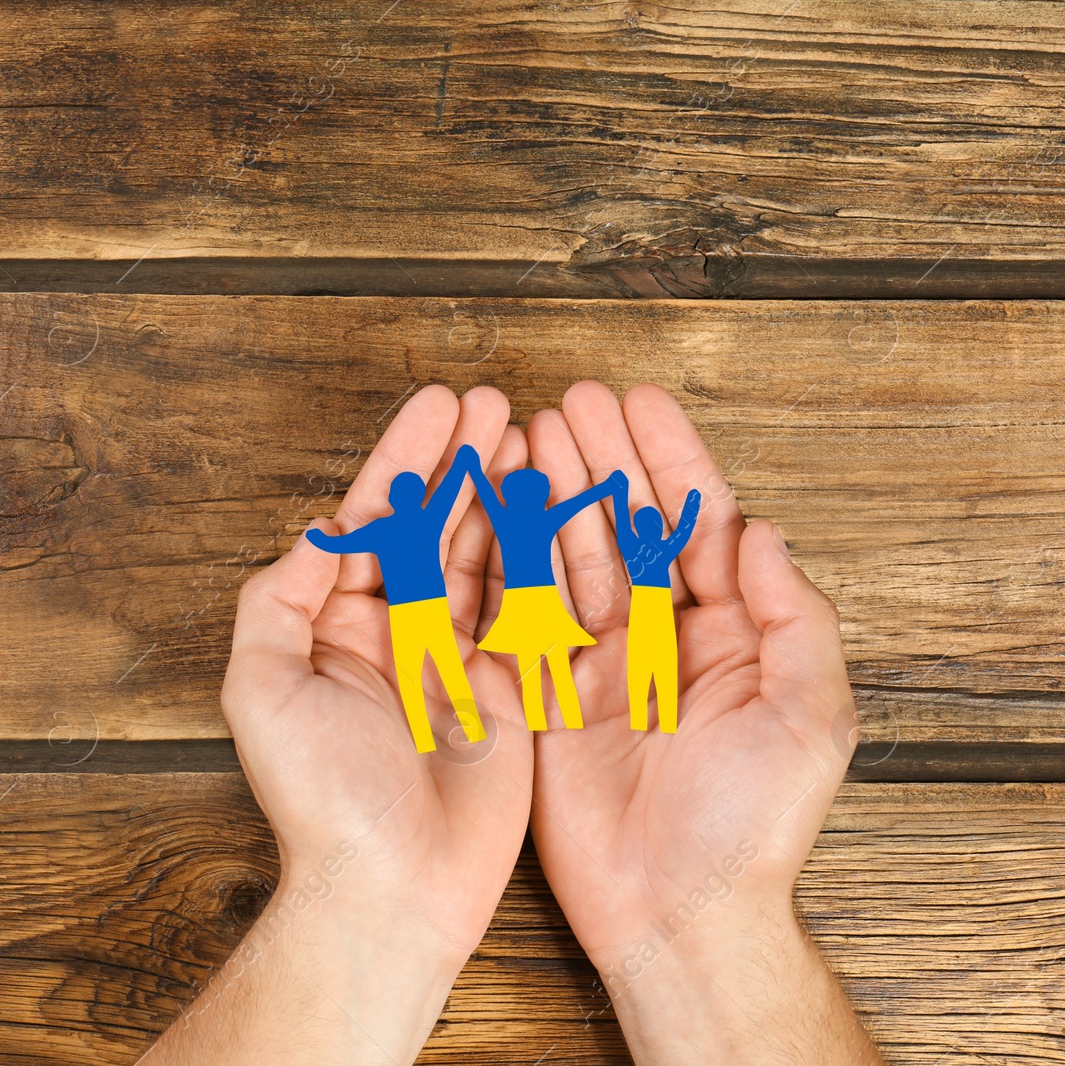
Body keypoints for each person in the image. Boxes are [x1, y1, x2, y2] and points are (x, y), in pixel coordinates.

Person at [137, 382, 882, 1066]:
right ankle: (467, 718)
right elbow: (484, 505)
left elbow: (495, 505)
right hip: (453, 616)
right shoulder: (421, 524)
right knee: (508, 677)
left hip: (517, 613)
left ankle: (476, 717)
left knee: (542, 674)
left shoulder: (429, 523)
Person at [305, 448, 486, 753]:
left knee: (409, 675)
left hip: (404, 612)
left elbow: (339, 543)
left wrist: (317, 539)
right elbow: (448, 491)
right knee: (450, 668)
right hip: (433, 608)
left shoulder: (381, 528)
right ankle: (473, 728)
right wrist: (462, 463)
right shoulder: (429, 519)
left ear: (392, 499)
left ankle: (423, 741)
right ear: (418, 497)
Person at [460, 448, 623, 729]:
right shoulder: (545, 517)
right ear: (542, 496)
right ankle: (571, 719)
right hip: (543, 599)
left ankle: (540, 720)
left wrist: (473, 467)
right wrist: (609, 487)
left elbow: (486, 494)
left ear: (509, 497)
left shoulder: (504, 518)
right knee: (557, 661)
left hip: (520, 601)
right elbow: (580, 501)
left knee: (529, 664)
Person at [612, 472, 702, 732]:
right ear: (658, 528)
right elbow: (683, 531)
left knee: (640, 668)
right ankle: (667, 723)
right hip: (658, 614)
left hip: (642, 613)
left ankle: (641, 722)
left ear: (638, 528)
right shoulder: (663, 549)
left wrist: (621, 491)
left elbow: (620, 521)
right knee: (663, 667)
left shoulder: (630, 547)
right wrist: (692, 505)